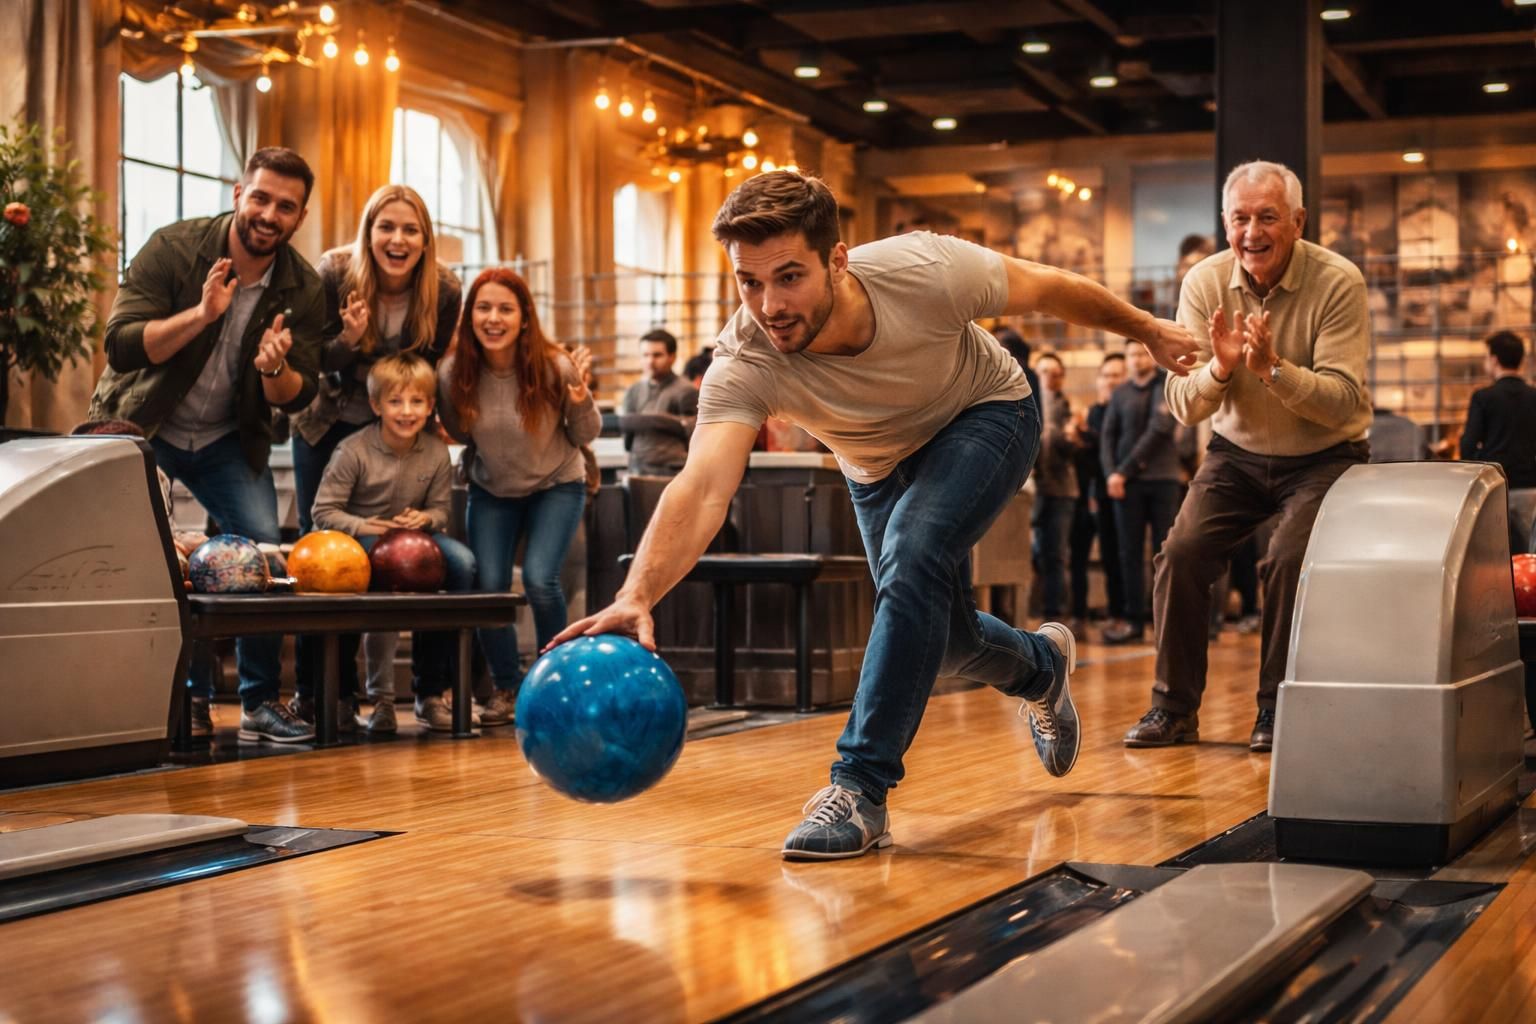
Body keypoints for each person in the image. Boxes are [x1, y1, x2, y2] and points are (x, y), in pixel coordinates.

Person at [549, 171, 1198, 861]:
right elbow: (704, 484)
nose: (770, 304)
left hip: (985, 417)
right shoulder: (744, 356)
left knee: (912, 557)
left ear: (837, 259)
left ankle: (858, 786)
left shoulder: (925, 268)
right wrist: (635, 595)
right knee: (939, 641)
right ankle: (1041, 666)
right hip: (878, 466)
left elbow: (1046, 285)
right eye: (749, 281)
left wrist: (1148, 328)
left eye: (790, 276)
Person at [1123, 160, 1372, 754]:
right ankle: (1173, 709)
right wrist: (1222, 368)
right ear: (1224, 222)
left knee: (1287, 559)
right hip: (1235, 454)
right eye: (1240, 218)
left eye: (1268, 217)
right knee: (1180, 554)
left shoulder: (1339, 282)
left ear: (1298, 221)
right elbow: (1183, 406)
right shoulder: (1203, 284)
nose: (1252, 232)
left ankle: (1276, 711)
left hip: (1325, 456)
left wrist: (1274, 372)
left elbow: (1343, 402)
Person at [88, 146, 323, 744]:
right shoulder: (175, 248)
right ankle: (181, 701)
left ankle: (258, 701)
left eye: (286, 206)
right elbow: (121, 345)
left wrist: (275, 370)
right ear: (240, 193)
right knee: (158, 563)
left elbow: (298, 395)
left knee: (264, 557)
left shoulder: (303, 286)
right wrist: (202, 314)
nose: (270, 213)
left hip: (226, 439)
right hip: (149, 428)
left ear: (299, 217)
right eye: (262, 197)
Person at [289, 184, 462, 730]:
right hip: (327, 421)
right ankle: (325, 694)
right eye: (386, 227)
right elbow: (310, 356)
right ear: (369, 232)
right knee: (321, 556)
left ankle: (429, 691)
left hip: (397, 427)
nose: (398, 238)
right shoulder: (335, 272)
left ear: (425, 239)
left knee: (421, 553)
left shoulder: (445, 288)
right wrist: (348, 340)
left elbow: (427, 369)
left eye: (410, 229)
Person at [438, 268, 601, 727]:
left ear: (525, 318)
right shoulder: (453, 372)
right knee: (489, 585)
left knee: (538, 579)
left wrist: (582, 398)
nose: (494, 318)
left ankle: (556, 684)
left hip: (556, 483)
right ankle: (507, 688)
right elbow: (455, 429)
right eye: (483, 308)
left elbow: (585, 433)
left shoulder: (554, 365)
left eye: (505, 309)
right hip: (492, 489)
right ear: (470, 315)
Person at [307, 354, 477, 732]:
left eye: (417, 402)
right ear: (376, 405)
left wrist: (426, 519)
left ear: (431, 406)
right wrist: (364, 525)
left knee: (462, 564)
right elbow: (323, 511)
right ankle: (347, 698)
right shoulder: (352, 451)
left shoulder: (435, 452)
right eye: (395, 402)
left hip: (416, 544)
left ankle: (430, 692)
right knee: (350, 577)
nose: (406, 411)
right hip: (358, 543)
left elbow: (440, 510)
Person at [1100, 341, 1181, 645]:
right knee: (1129, 554)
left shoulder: (1165, 385)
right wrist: (1111, 474)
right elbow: (1108, 436)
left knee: (1165, 553)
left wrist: (1125, 469)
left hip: (1161, 480)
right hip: (1126, 485)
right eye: (1131, 355)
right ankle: (1133, 621)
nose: (1136, 360)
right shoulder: (1120, 394)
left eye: (1141, 354)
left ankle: (1166, 623)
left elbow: (1160, 428)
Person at [1459, 330, 1536, 556]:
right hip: (1531, 488)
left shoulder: (1483, 398)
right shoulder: (1534, 396)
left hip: (1495, 488)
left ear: (1493, 359)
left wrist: (1481, 463)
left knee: (1497, 558)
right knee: (1530, 557)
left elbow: (1467, 445)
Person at [1075, 352, 1127, 634]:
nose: (1111, 381)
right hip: (1093, 494)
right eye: (1106, 376)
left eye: (1117, 375)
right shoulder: (1093, 412)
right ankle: (1107, 613)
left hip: (1120, 492)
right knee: (1105, 555)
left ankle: (1125, 614)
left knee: (1121, 555)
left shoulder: (1127, 411)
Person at [1030, 352, 1077, 623]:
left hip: (1061, 490)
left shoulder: (1065, 405)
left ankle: (1054, 613)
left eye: (1055, 373)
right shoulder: (1028, 400)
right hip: (1034, 489)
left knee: (1056, 553)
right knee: (1034, 553)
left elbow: (1068, 446)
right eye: (1044, 371)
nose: (1050, 377)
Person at [619, 328, 699, 476]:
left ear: (672, 357)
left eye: (657, 355)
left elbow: (695, 431)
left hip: (673, 471)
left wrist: (657, 421)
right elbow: (627, 436)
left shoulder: (686, 390)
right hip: (638, 469)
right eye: (645, 355)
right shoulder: (633, 391)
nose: (650, 361)